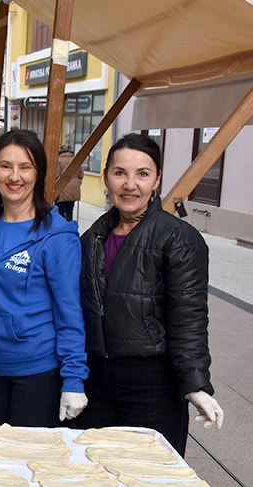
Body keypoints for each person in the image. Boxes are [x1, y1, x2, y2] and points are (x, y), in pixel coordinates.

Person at [77, 133, 224, 455]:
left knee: (148, 479)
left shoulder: (179, 239)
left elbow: (189, 318)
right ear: (106, 178)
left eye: (142, 174)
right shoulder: (93, 236)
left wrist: (196, 384)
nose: (130, 184)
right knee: (92, 479)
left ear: (156, 179)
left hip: (152, 386)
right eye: (120, 173)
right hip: (96, 382)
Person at [0, 129, 88, 428]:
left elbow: (70, 312)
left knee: (26, 465)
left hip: (36, 373)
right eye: (5, 165)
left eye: (25, 167)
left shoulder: (55, 236)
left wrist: (74, 379)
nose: (14, 176)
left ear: (39, 174)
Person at [55, 146, 83, 222]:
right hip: (74, 188)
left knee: (60, 210)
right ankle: (69, 224)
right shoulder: (76, 160)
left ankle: (62, 226)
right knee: (70, 210)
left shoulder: (58, 160)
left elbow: (56, 175)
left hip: (62, 187)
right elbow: (81, 175)